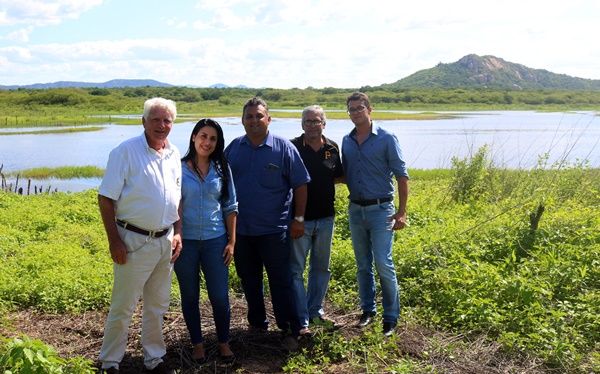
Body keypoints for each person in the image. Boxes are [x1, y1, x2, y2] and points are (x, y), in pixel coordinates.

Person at [98, 97, 181, 374]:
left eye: (167, 120)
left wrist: (177, 232)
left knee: (157, 305)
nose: (161, 125)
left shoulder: (173, 154)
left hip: (165, 241)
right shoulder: (125, 151)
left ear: (173, 123)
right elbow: (106, 198)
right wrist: (114, 241)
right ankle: (110, 361)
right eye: (155, 119)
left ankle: (154, 358)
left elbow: (176, 199)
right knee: (124, 305)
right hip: (133, 241)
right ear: (143, 121)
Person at [224, 97, 310, 347]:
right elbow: (221, 186)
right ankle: (257, 324)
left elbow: (301, 184)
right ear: (242, 121)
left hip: (275, 230)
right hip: (242, 231)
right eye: (249, 116)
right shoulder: (233, 149)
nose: (254, 120)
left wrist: (299, 219)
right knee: (249, 280)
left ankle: (288, 329)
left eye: (259, 116)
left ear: (268, 119)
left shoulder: (283, 148)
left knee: (280, 281)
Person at [341, 92, 409, 337]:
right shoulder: (346, 141)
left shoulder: (387, 138)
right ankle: (368, 311)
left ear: (370, 109)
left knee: (383, 262)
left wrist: (401, 213)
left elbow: (402, 176)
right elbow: (344, 173)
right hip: (356, 209)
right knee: (362, 265)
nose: (356, 112)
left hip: (382, 210)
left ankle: (390, 317)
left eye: (360, 108)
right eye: (352, 109)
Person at [174, 119, 237, 365]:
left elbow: (231, 206)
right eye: (203, 136)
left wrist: (232, 241)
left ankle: (223, 342)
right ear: (193, 137)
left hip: (215, 240)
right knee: (189, 296)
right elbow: (173, 204)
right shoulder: (178, 168)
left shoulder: (222, 168)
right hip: (186, 242)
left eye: (212, 138)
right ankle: (197, 344)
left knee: (219, 296)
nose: (207, 142)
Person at [290, 105, 343, 331]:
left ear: (324, 123)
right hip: (300, 220)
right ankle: (301, 318)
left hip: (325, 218)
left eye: (317, 121)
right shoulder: (292, 147)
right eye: (308, 121)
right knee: (295, 270)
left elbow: (337, 176)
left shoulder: (332, 148)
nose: (312, 125)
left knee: (321, 268)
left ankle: (316, 311)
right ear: (302, 125)